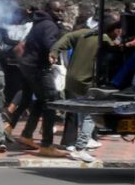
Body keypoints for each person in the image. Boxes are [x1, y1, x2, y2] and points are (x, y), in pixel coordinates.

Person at [52, 14, 122, 162]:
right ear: (112, 29)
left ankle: (82, 142)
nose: (119, 32)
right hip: (85, 82)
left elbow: (66, 38)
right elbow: (117, 54)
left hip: (71, 79)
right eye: (118, 29)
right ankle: (81, 148)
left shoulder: (84, 33)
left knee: (83, 113)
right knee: (91, 115)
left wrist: (54, 52)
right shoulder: (105, 40)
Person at [7, 0, 67, 155]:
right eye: (57, 11)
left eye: (62, 11)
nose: (60, 14)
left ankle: (26, 135)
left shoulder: (39, 22)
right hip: (39, 68)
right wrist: (59, 47)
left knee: (38, 101)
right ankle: (47, 145)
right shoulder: (50, 25)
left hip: (27, 65)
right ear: (49, 10)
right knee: (51, 102)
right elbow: (50, 45)